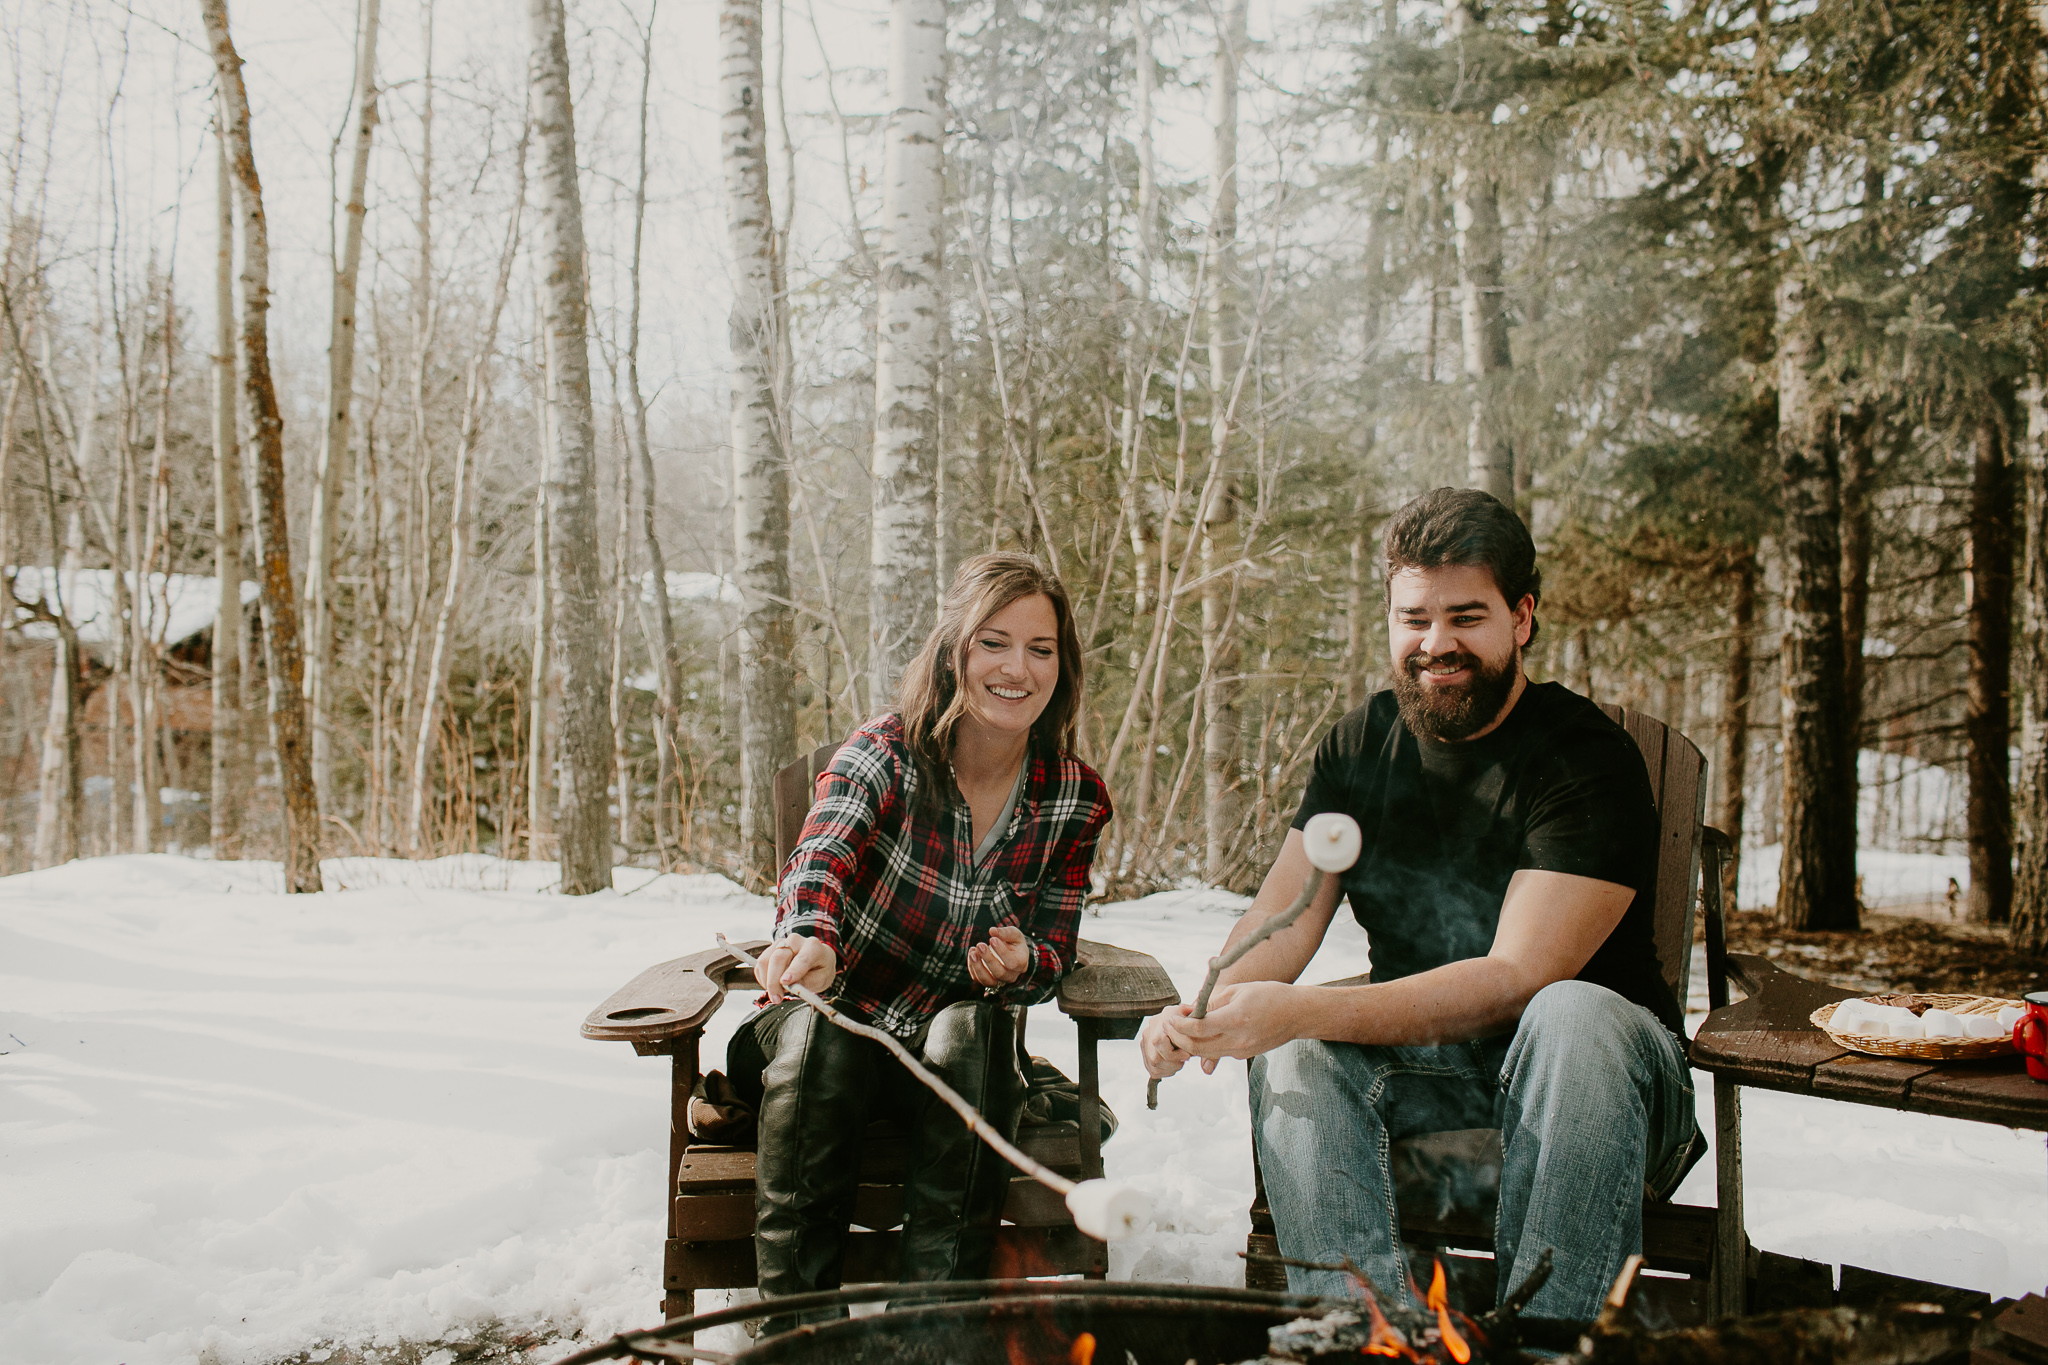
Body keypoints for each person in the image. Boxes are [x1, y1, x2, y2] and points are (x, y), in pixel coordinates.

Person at [1140, 487, 1701, 1322]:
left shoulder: (1584, 755)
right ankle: (1366, 1334)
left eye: (1465, 616)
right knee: (1297, 1050)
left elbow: (1518, 978)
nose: (1436, 643)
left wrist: (1296, 1010)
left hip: (1601, 1075)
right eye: (1415, 618)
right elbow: (1281, 920)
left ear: (1522, 617)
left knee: (1571, 1012)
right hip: (1431, 1065)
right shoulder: (1360, 746)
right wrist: (1203, 1005)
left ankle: (1551, 1345)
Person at [736, 552, 1112, 1322]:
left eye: (1040, 649)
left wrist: (1023, 961)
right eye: (994, 642)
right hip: (824, 1038)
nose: (1017, 667)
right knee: (822, 1038)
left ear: (1061, 666)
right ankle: (799, 1333)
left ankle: (932, 1329)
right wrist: (812, 932)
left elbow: (1056, 942)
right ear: (954, 651)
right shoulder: (886, 753)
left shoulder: (1074, 797)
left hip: (943, 1073)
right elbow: (822, 853)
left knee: (975, 1029)